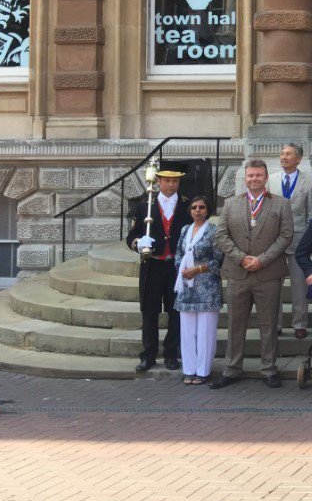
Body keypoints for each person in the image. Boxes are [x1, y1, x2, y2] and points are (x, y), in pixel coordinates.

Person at [211, 158, 294, 389]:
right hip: (238, 274)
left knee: (268, 325)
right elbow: (221, 236)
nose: (254, 179)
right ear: (245, 178)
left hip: (267, 274)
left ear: (266, 178)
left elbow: (286, 236)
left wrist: (262, 260)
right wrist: (241, 258)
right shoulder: (230, 204)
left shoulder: (281, 204)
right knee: (235, 324)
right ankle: (232, 368)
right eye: (250, 175)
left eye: (258, 175)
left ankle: (269, 369)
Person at [126, 163, 192, 373]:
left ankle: (171, 354)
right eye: (167, 180)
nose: (171, 185)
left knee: (175, 311)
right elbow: (131, 236)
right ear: (159, 181)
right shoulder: (143, 205)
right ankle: (148, 355)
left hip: (176, 266)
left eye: (175, 181)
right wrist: (139, 244)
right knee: (149, 311)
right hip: (153, 264)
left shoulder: (188, 205)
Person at [173, 196, 223, 385]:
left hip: (207, 286)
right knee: (187, 332)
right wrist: (183, 269)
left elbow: (218, 259)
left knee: (205, 332)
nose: (197, 210)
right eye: (194, 207)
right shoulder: (185, 230)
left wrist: (198, 269)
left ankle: (203, 371)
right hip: (186, 286)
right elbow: (178, 252)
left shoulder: (213, 231)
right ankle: (189, 369)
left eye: (201, 207)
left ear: (207, 210)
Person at [270, 143, 312, 339]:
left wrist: (309, 240)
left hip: (299, 240)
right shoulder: (271, 180)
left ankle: (300, 323)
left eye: (288, 154)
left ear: (298, 159)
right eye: (281, 154)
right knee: (274, 286)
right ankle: (276, 324)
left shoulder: (309, 181)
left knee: (299, 285)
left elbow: (311, 213)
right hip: (274, 241)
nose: (284, 157)